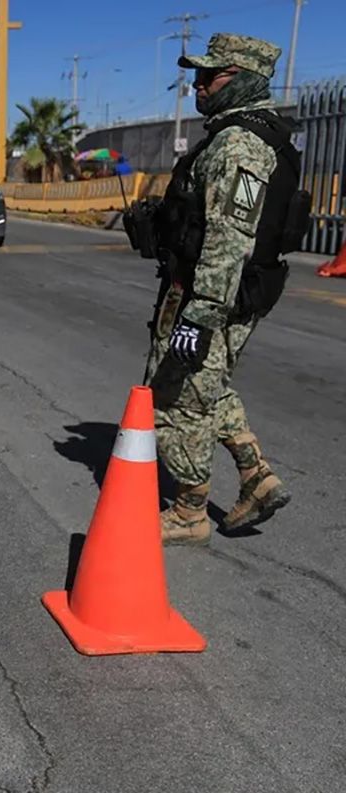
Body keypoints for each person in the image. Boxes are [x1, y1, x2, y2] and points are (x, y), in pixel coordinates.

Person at [143, 33, 300, 545]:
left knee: (175, 398)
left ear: (247, 79)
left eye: (213, 75)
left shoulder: (240, 145)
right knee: (211, 385)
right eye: (198, 74)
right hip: (227, 294)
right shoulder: (247, 135)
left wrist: (199, 316)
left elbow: (231, 235)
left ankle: (189, 511)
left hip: (209, 298)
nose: (199, 84)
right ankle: (256, 475)